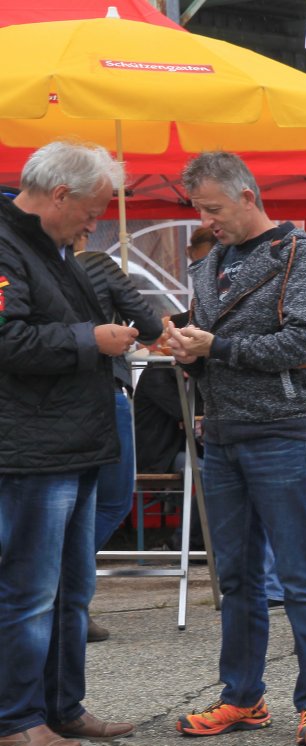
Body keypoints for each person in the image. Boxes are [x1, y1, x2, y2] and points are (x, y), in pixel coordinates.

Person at [166, 151, 306, 745]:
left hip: (283, 433)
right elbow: (212, 348)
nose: (207, 221)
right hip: (223, 435)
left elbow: (305, 345)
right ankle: (242, 698)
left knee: (300, 577)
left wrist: (214, 348)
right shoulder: (209, 265)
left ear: (248, 197)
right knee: (237, 581)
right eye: (200, 210)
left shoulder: (300, 256)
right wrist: (187, 349)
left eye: (213, 209)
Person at [0, 140, 139, 746]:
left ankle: (62, 707)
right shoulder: (8, 244)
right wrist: (91, 339)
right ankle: (16, 717)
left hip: (73, 442)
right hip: (33, 448)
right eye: (92, 209)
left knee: (71, 590)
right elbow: (7, 338)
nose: (95, 222)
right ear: (60, 195)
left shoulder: (50, 246)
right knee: (30, 591)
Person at [75, 239, 166, 640]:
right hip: (102, 390)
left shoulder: (25, 267)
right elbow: (149, 324)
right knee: (111, 500)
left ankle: (55, 592)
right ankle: (67, 594)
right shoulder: (98, 263)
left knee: (62, 501)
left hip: (42, 402)